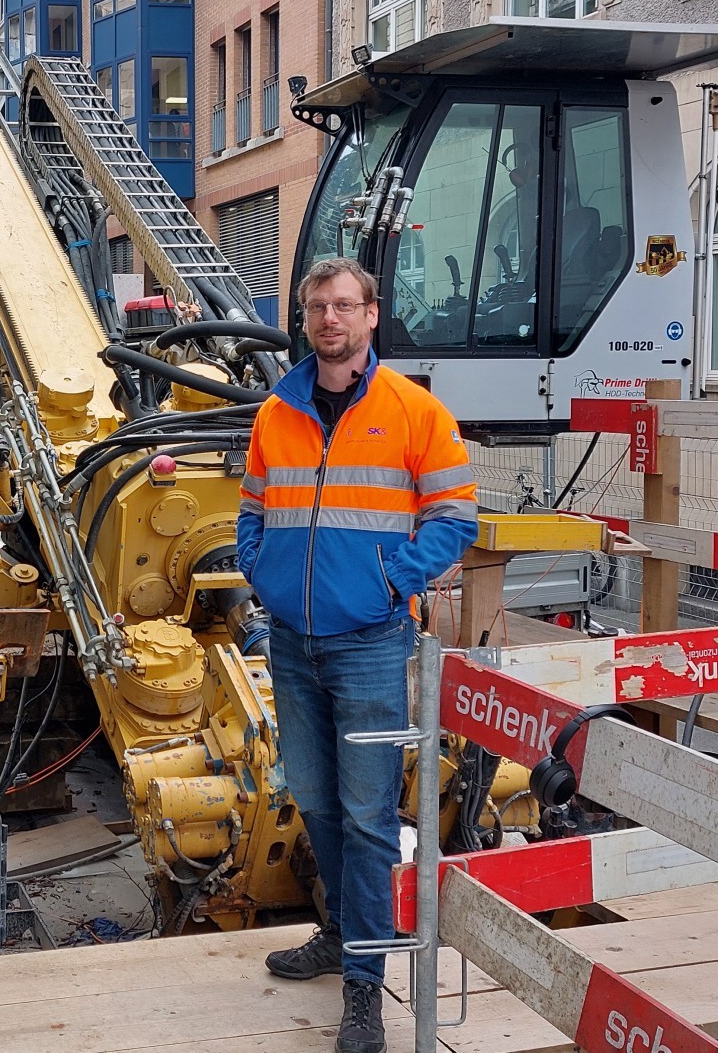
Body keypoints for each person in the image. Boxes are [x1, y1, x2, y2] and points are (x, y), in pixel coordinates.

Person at [235, 257, 478, 1053]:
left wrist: (388, 580)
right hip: (294, 644)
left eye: (344, 305)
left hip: (372, 641)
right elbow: (251, 510)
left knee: (371, 817)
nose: (329, 319)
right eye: (316, 306)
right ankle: (340, 934)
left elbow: (453, 519)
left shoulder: (415, 411)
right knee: (315, 797)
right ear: (303, 318)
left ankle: (366, 988)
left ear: (372, 316)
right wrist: (262, 572)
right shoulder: (276, 411)